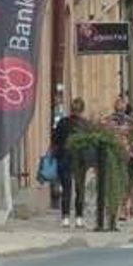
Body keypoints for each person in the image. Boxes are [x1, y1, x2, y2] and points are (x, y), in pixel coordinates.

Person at [51, 97, 87, 228]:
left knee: (66, 189)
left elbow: (55, 139)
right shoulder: (85, 125)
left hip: (64, 158)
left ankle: (65, 217)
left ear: (71, 109)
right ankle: (79, 218)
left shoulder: (62, 122)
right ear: (82, 109)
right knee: (79, 189)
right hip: (80, 159)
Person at [105, 94, 133, 221]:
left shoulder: (127, 121)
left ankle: (121, 209)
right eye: (119, 106)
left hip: (123, 154)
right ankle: (119, 209)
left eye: (121, 106)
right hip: (117, 154)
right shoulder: (111, 120)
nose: (120, 109)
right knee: (119, 181)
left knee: (122, 181)